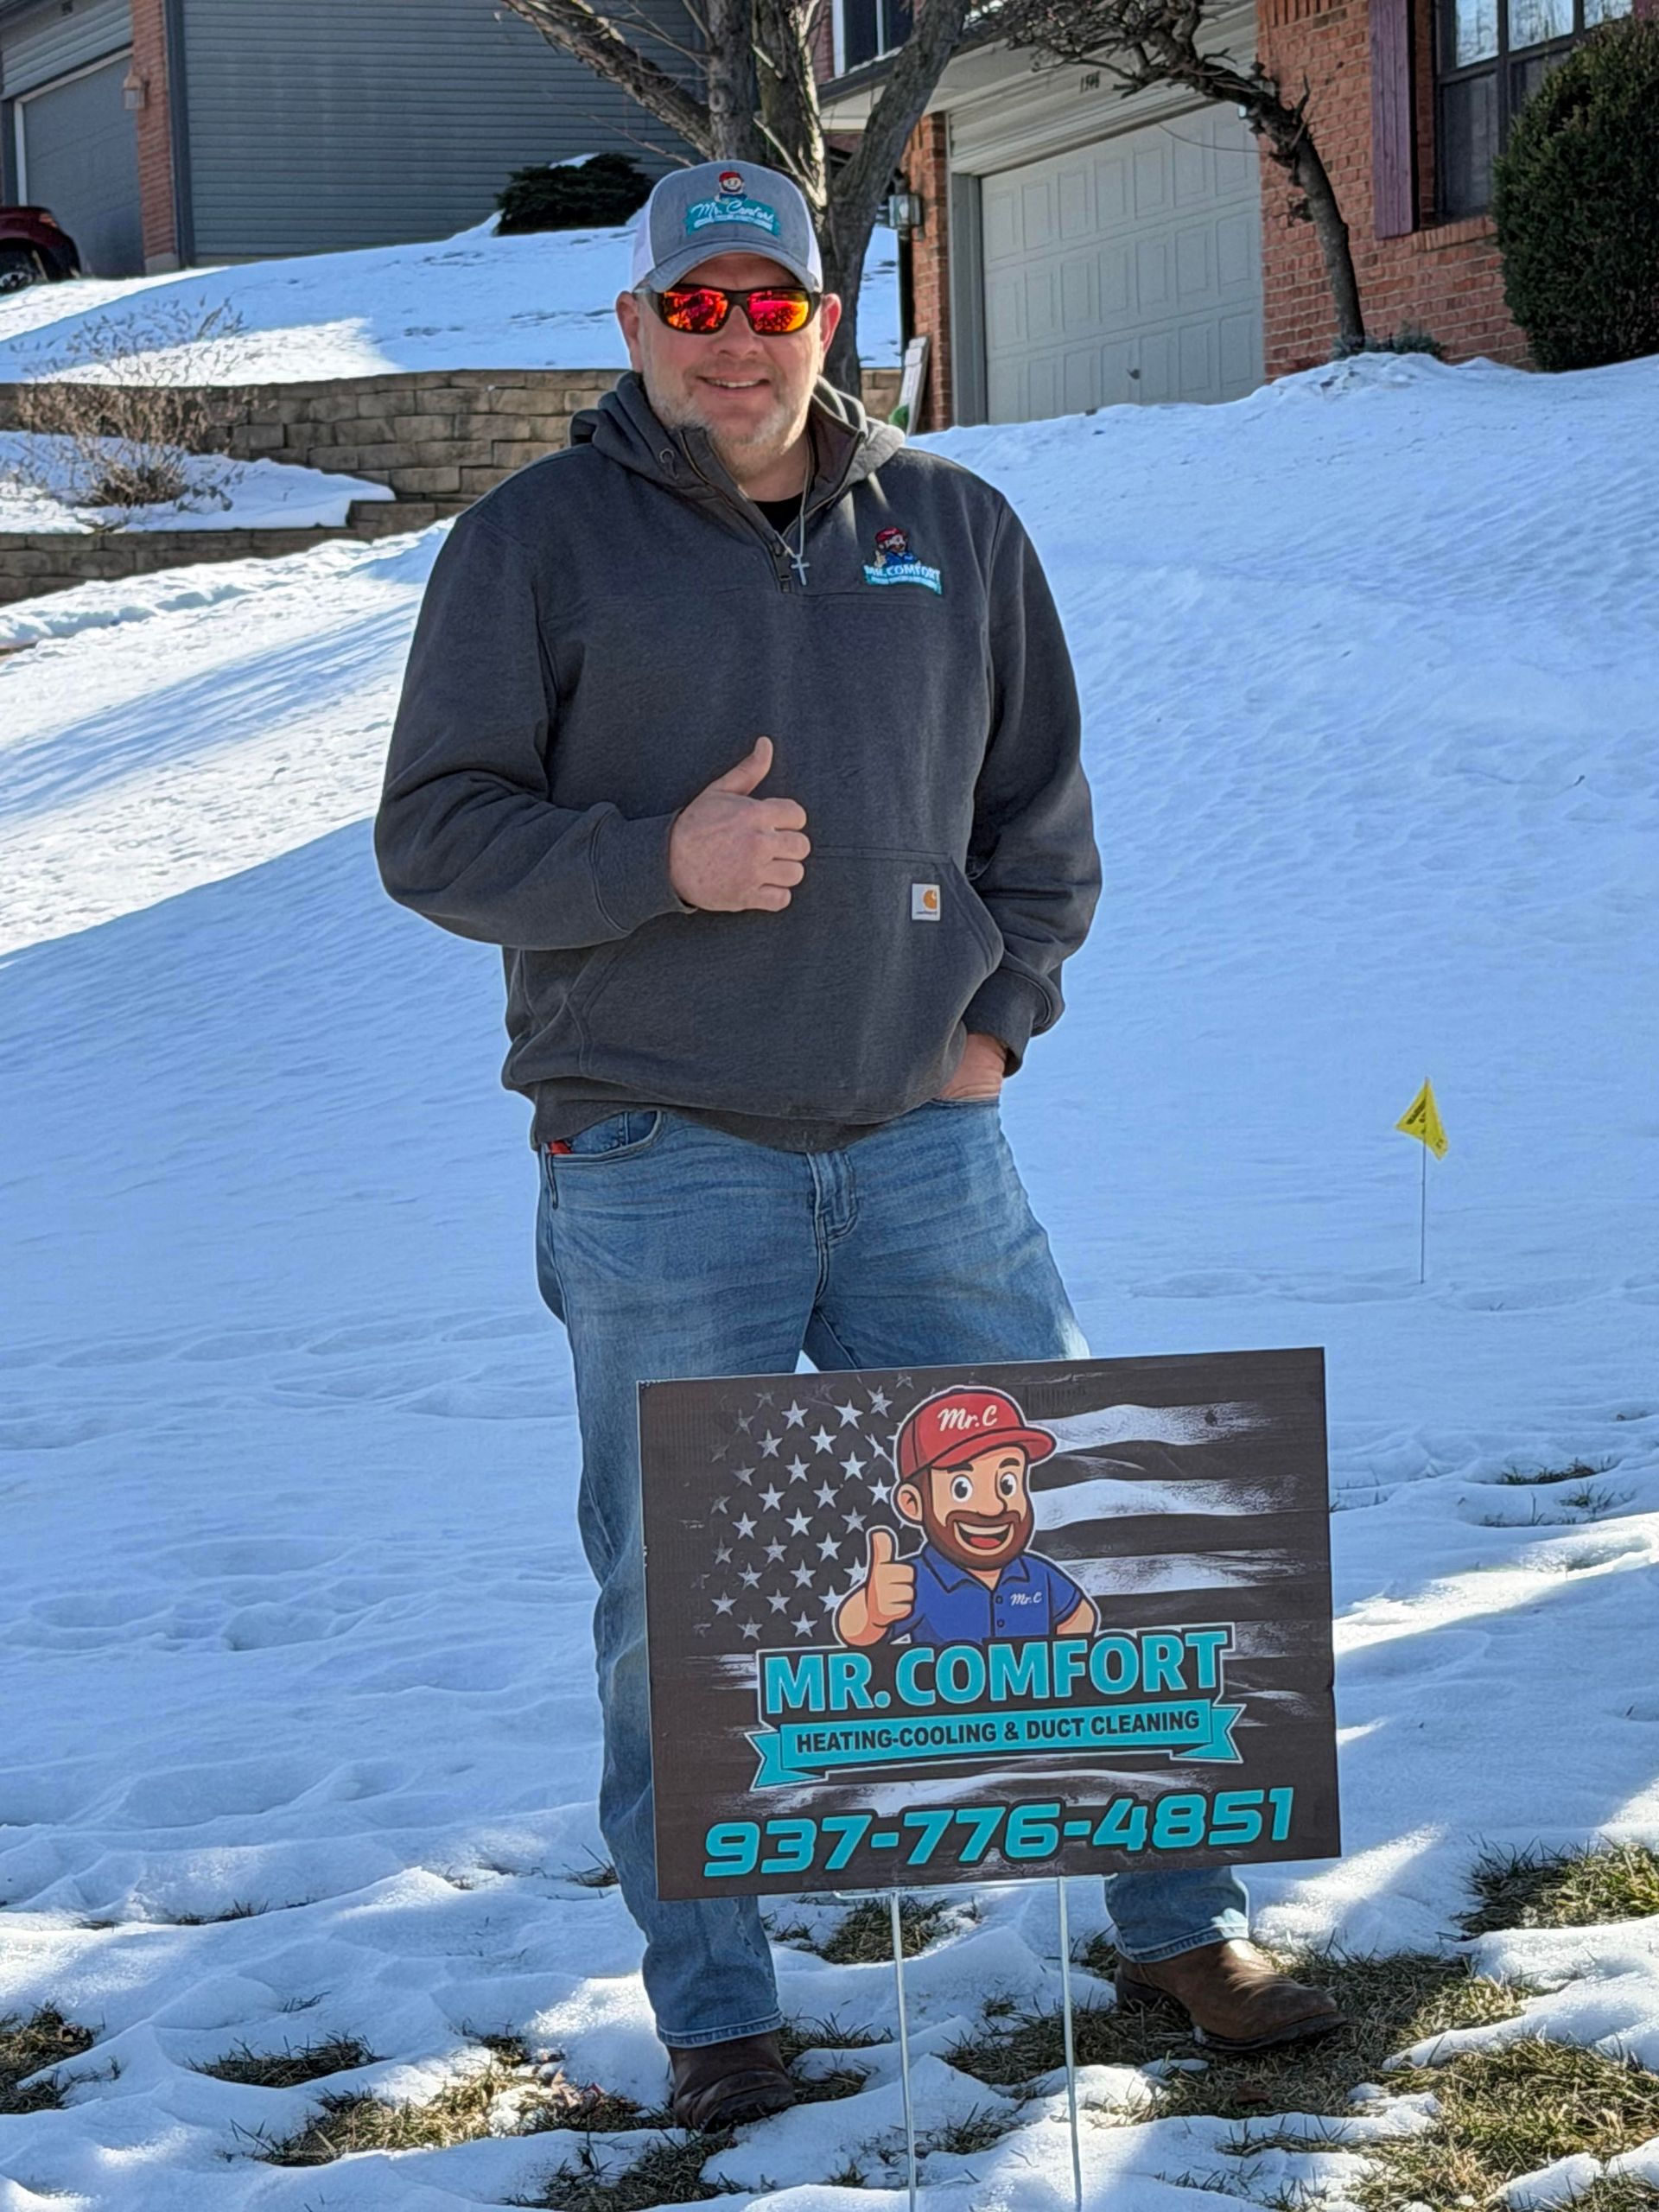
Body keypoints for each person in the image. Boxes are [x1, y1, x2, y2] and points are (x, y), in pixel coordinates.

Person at [373, 156, 1341, 2133]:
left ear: (834, 320)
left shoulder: (957, 530)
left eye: (773, 303)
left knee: (1071, 1530)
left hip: (924, 1148)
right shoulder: (533, 544)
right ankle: (720, 2003)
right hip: (659, 1155)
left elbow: (1041, 823)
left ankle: (1178, 1916)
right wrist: (665, 862)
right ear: (638, 326)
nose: (739, 340)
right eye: (697, 307)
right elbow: (436, 836)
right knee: (679, 1601)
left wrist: (1001, 1020)